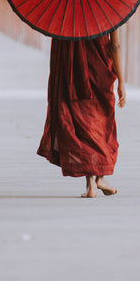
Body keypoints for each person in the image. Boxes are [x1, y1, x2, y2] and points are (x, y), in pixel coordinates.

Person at [37, 31, 126, 198]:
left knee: (81, 124)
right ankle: (100, 177)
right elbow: (115, 46)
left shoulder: (65, 15)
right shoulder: (107, 11)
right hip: (100, 72)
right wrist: (121, 81)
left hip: (72, 74)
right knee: (101, 123)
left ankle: (91, 184)